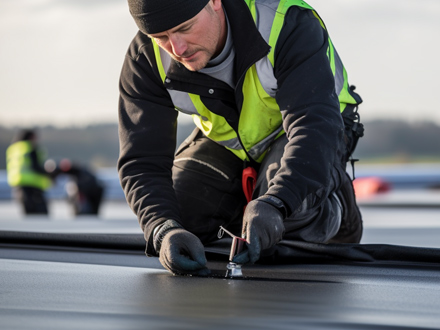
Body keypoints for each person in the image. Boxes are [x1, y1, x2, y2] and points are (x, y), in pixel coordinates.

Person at [118, 0, 364, 276]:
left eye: (185, 28)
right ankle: (251, 208)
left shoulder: (286, 23)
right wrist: (162, 229)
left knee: (285, 222)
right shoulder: (145, 57)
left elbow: (313, 127)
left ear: (215, 2)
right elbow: (143, 159)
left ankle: (337, 207)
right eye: (161, 37)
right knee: (182, 217)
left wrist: (277, 202)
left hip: (317, 134)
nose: (177, 49)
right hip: (230, 142)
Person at [6, 129, 53, 215]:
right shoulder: (30, 147)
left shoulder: (14, 148)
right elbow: (35, 166)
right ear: (31, 137)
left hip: (18, 183)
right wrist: (48, 173)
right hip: (33, 183)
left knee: (28, 212)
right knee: (40, 213)